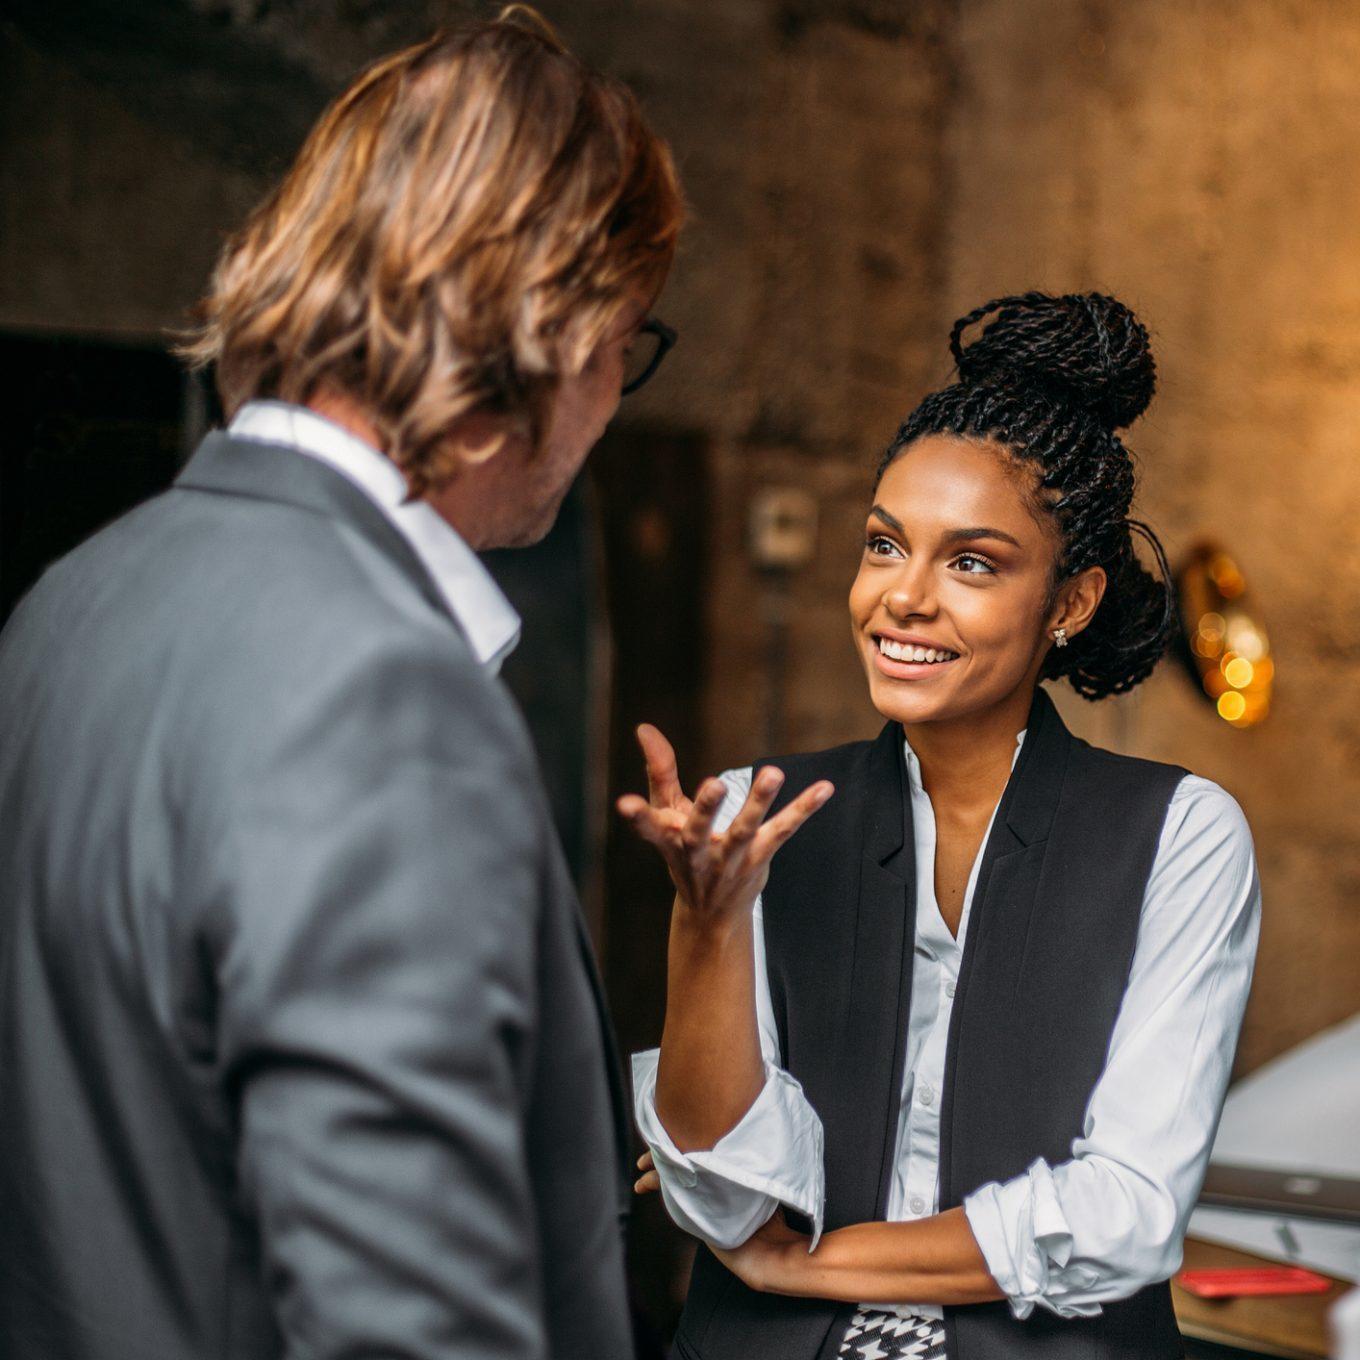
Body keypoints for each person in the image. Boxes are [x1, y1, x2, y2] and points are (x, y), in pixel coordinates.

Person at [0, 11, 681, 1360]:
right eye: (630, 340)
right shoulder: (379, 696)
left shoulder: (65, 604)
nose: (616, 396)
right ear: (552, 330)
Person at [622, 292, 1260, 1360]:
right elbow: (725, 1197)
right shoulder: (749, 816)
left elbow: (1124, 1215)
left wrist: (806, 1260)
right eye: (884, 545)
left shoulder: (1180, 835)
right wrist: (708, 927)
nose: (902, 598)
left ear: (1070, 601)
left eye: (970, 562)